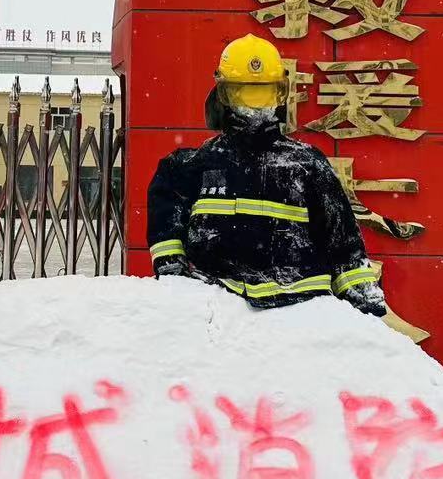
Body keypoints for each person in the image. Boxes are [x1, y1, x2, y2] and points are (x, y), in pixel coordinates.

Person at [146, 34, 386, 316]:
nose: (255, 105)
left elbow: (345, 247)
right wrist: (175, 278)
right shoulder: (186, 168)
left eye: (266, 93)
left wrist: (366, 306)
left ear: (281, 95)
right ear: (223, 95)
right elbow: (168, 245)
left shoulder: (309, 166)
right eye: (242, 92)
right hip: (219, 314)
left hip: (300, 314)